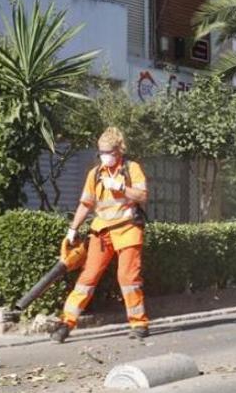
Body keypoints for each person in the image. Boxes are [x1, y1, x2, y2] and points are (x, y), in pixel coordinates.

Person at [51, 127, 149, 343]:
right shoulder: (94, 174)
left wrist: (122, 187)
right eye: (101, 152)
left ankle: (139, 323)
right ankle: (66, 323)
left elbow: (142, 196)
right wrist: (72, 229)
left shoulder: (132, 169)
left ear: (119, 151)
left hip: (128, 229)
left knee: (128, 278)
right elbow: (86, 204)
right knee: (87, 278)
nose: (104, 156)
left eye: (108, 152)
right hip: (101, 231)